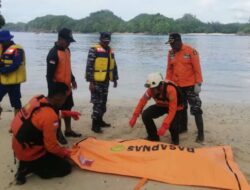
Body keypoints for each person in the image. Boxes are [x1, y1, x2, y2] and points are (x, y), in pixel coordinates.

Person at [11, 82, 72, 185]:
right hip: (30, 152)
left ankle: (26, 164)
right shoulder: (50, 117)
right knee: (66, 167)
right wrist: (66, 153)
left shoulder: (37, 98)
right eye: (65, 97)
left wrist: (67, 113)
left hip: (18, 145)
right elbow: (51, 147)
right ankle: (32, 167)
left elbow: (40, 116)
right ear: (59, 97)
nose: (65, 100)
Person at [165, 33, 204, 143]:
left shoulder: (191, 51)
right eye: (170, 44)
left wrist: (198, 83)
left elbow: (197, 68)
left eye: (173, 44)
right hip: (177, 86)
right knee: (181, 109)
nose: (171, 46)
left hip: (191, 86)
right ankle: (183, 128)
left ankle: (201, 134)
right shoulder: (171, 53)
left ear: (179, 41)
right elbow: (169, 69)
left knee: (196, 109)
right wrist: (168, 82)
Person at [46, 28, 81, 144]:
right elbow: (49, 76)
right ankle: (58, 133)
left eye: (70, 41)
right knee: (57, 113)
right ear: (60, 39)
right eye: (67, 41)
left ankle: (68, 130)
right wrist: (52, 92)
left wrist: (73, 79)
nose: (69, 43)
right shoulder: (53, 54)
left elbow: (67, 68)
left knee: (68, 108)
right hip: (58, 90)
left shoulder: (67, 51)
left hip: (67, 89)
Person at [129, 72, 183, 145]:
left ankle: (175, 142)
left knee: (172, 125)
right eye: (150, 88)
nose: (152, 90)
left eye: (153, 88)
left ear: (160, 85)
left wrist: (165, 125)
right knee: (146, 115)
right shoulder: (151, 90)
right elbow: (142, 101)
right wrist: (135, 115)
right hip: (161, 105)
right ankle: (154, 137)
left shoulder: (171, 89)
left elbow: (172, 110)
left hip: (176, 108)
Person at [85, 32, 119, 133]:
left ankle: (100, 121)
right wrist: (90, 82)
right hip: (96, 82)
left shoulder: (110, 50)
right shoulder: (94, 49)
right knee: (97, 103)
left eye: (108, 41)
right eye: (104, 41)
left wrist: (115, 79)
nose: (106, 43)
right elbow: (89, 67)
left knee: (103, 103)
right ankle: (94, 125)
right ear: (100, 39)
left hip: (106, 81)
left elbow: (114, 65)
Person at [0, 30, 26, 116]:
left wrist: (3, 70)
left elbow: (16, 64)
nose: (1, 43)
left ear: (9, 39)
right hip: (3, 81)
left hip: (14, 82)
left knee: (16, 103)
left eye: (2, 41)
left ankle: (17, 123)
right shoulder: (1, 47)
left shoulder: (18, 49)